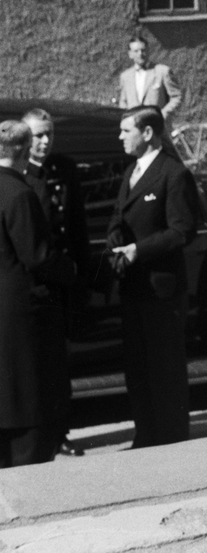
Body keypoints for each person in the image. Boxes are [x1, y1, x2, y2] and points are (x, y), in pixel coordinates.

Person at [107, 106, 198, 448]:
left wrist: (137, 251)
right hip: (134, 287)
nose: (120, 137)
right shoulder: (131, 170)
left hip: (162, 289)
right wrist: (116, 238)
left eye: (126, 130)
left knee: (165, 370)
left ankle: (172, 439)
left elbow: (182, 231)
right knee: (138, 368)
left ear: (147, 133)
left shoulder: (173, 174)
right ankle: (146, 434)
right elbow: (119, 215)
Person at [0, 121, 76, 468]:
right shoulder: (20, 194)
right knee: (27, 401)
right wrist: (71, 271)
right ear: (25, 149)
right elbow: (36, 256)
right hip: (19, 311)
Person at [21, 108, 88, 457]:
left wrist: (83, 275)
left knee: (60, 362)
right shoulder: (21, 177)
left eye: (48, 134)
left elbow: (76, 225)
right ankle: (40, 432)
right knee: (37, 363)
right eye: (37, 135)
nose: (44, 141)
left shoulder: (64, 170)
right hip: (35, 285)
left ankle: (60, 430)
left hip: (63, 280)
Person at [117, 37, 182, 118]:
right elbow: (123, 101)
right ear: (130, 54)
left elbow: (176, 97)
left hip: (157, 125)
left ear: (148, 51)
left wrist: (163, 114)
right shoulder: (125, 76)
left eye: (143, 50)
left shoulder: (162, 71)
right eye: (136, 51)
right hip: (135, 126)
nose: (140, 54)